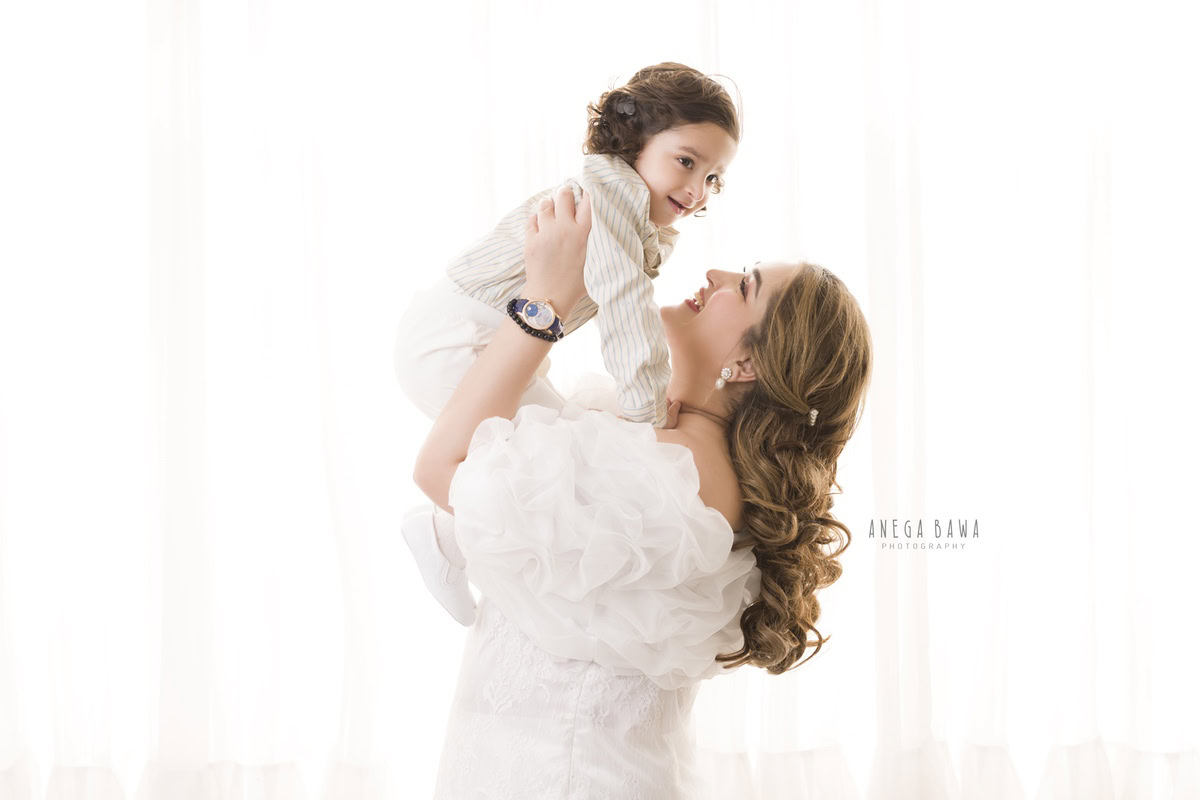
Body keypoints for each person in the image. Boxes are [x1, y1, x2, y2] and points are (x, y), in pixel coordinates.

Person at [412, 187, 873, 797]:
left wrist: (547, 302)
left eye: (746, 286)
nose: (717, 273)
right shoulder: (672, 448)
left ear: (749, 364)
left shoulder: (678, 477)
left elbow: (443, 468)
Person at [394, 63, 741, 628]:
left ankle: (447, 532)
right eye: (687, 162)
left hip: (486, 338)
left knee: (576, 441)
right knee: (566, 460)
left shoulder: (629, 208)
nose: (698, 190)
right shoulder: (606, 203)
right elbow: (627, 312)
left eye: (714, 178)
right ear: (635, 144)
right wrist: (646, 419)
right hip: (456, 342)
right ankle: (444, 531)